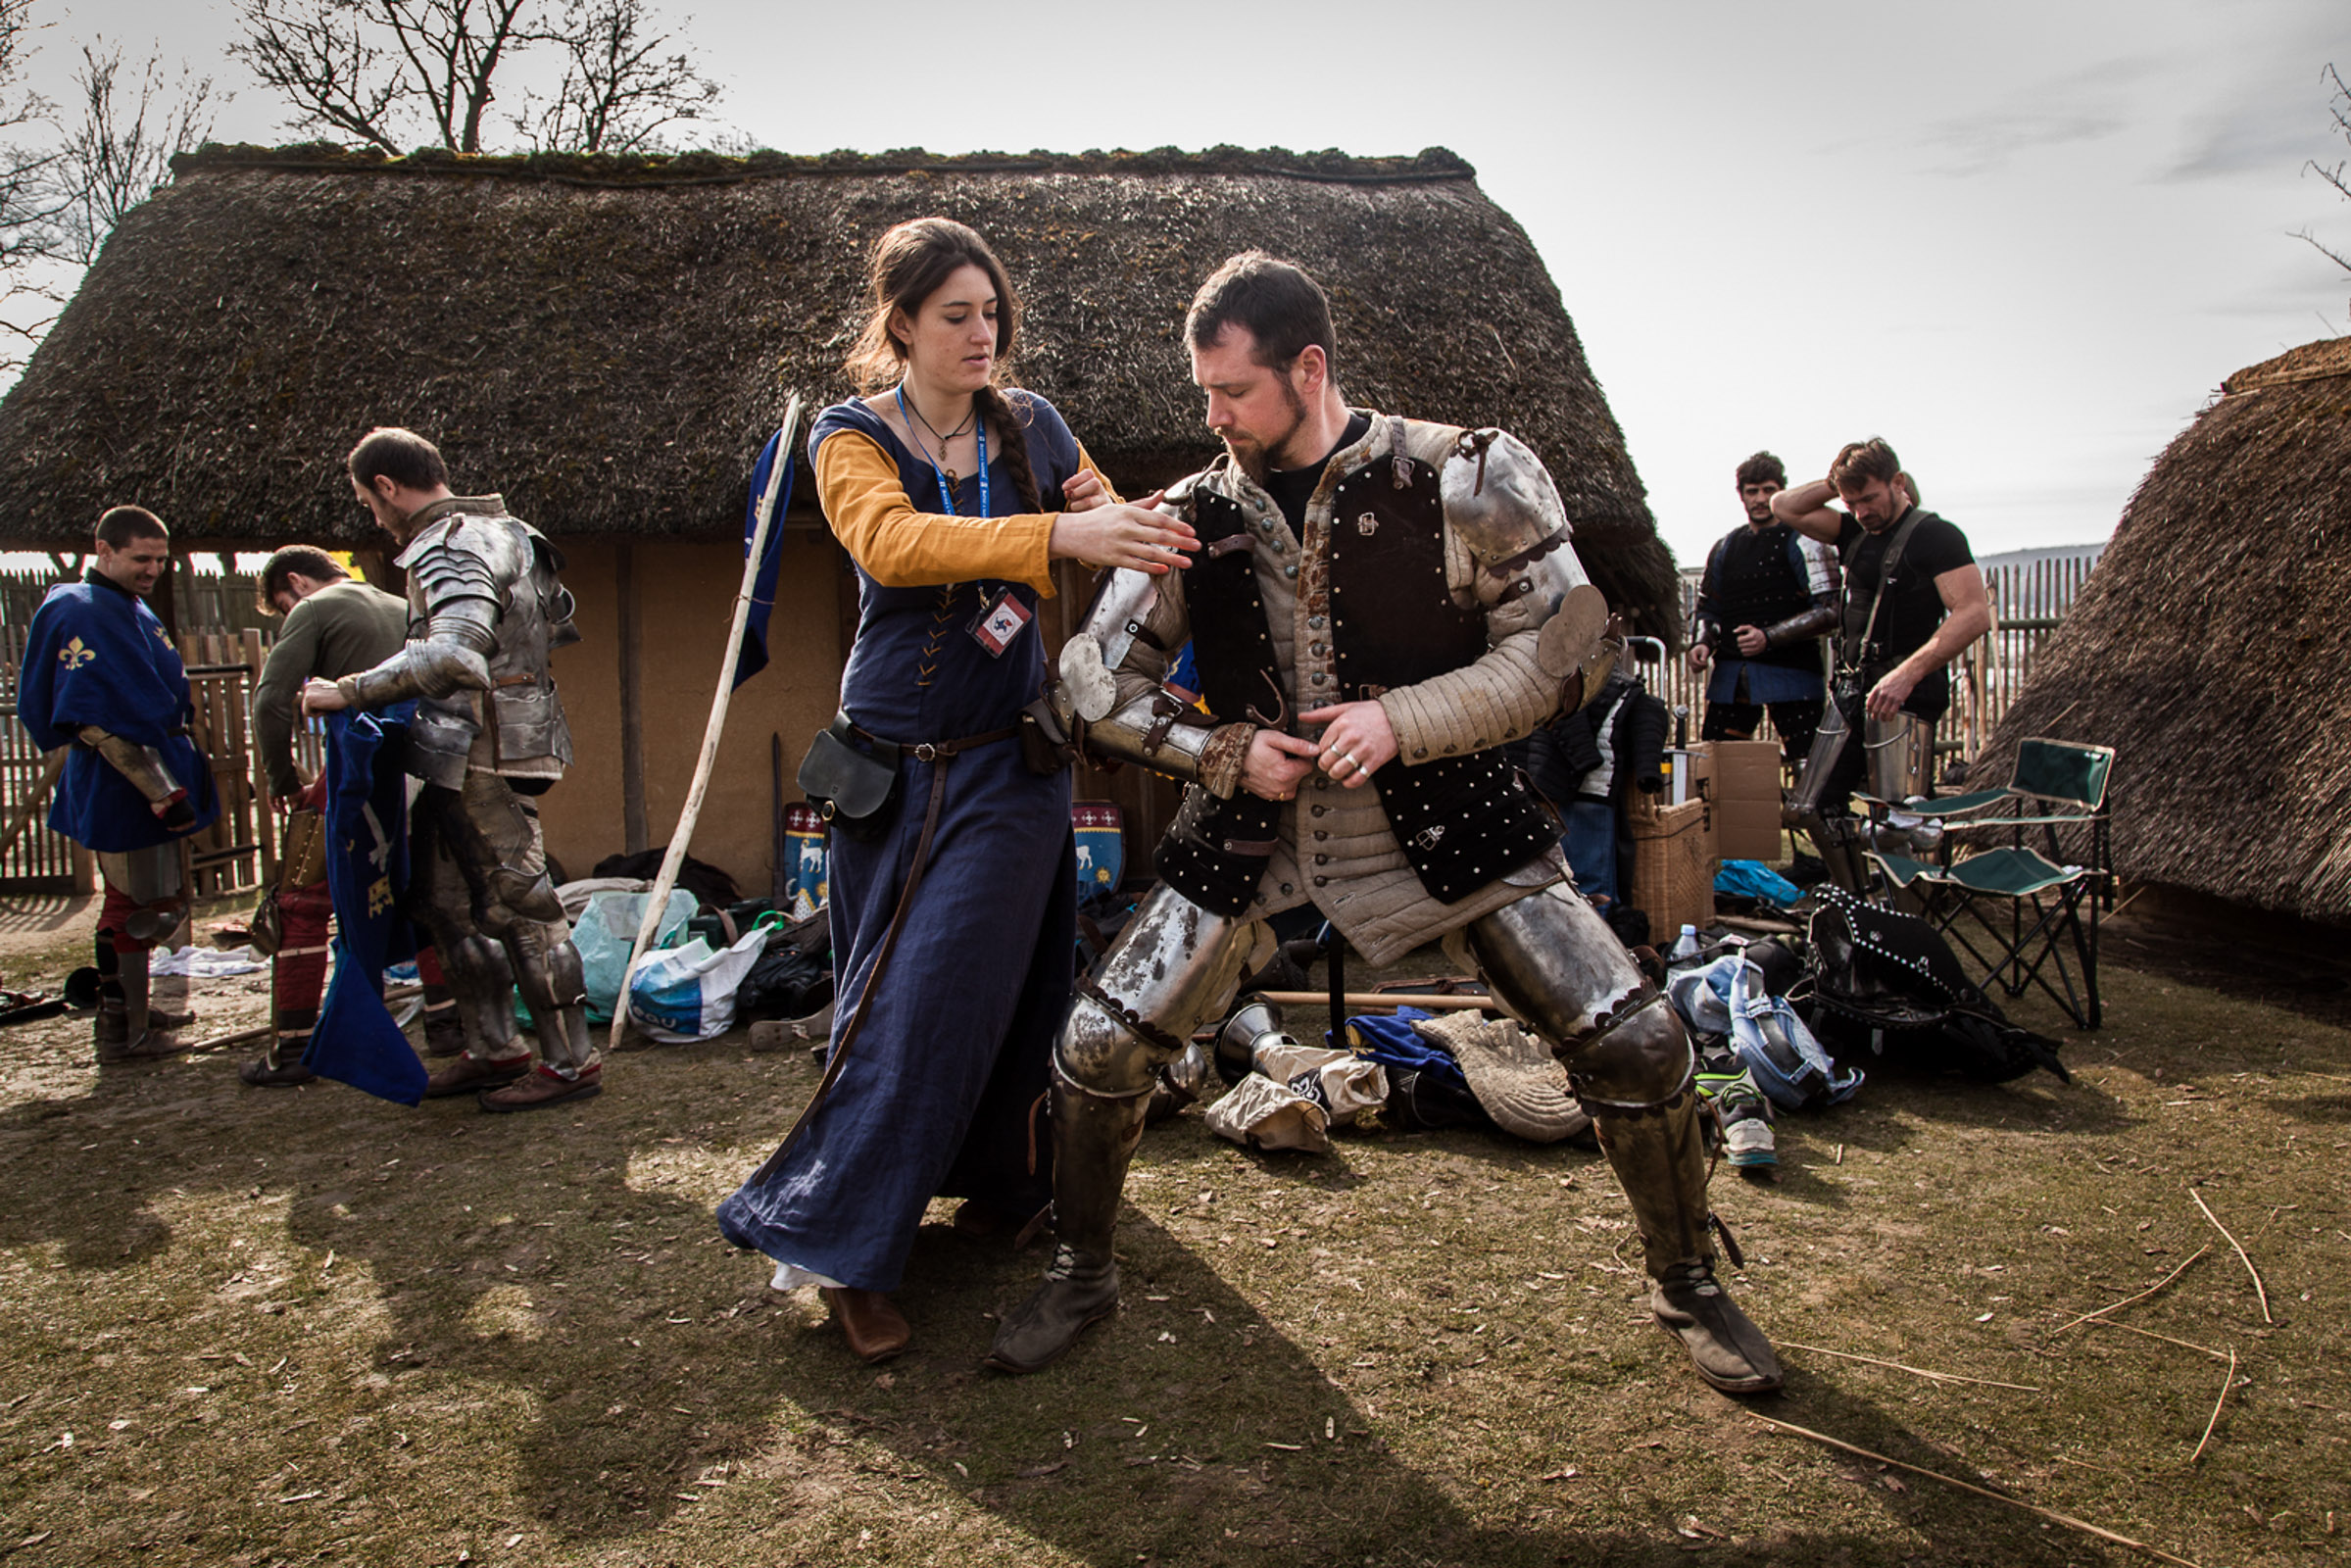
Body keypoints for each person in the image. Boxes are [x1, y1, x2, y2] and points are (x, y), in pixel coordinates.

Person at [993, 252, 1784, 1396]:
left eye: (1231, 392)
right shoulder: (1184, 515)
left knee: (1639, 1043)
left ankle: (1686, 1279)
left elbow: (1566, 651)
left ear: (1307, 369)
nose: (1209, 416)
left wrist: (1403, 719)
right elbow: (1094, 683)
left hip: (1452, 820)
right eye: (1202, 391)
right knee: (1098, 1050)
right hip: (1253, 834)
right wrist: (1218, 748)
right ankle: (1079, 1268)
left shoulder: (1468, 475)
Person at [712, 218, 1196, 1365]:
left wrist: (1180, 532)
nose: (982, 335)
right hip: (891, 769)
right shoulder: (848, 437)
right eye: (955, 316)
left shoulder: (1031, 427)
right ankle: (836, 1248)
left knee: (1017, 987)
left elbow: (1114, 522)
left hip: (1012, 760)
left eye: (992, 314)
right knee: (904, 996)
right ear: (899, 324)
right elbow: (890, 545)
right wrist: (1059, 533)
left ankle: (1006, 1181)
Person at [299, 427, 598, 1112]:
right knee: (444, 905)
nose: (372, 517)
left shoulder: (452, 542)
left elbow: (455, 657)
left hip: (484, 749)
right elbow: (546, 630)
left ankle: (571, 1062)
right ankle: (496, 1046)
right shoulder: (512, 533)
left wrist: (346, 690)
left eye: (367, 502)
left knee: (523, 909)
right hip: (453, 747)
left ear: (385, 486)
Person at [15, 506, 220, 1064]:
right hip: (125, 779)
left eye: (160, 559)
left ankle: (132, 1007)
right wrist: (160, 791)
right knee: (136, 906)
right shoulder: (85, 609)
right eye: (140, 558)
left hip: (153, 767)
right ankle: (124, 1031)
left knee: (151, 901)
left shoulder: (122, 604)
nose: (153, 569)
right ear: (104, 551)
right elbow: (93, 718)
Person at [240, 547, 441, 1087]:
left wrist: (285, 784)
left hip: (359, 762)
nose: (289, 615)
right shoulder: (400, 605)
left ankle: (296, 1045)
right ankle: (448, 1022)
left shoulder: (314, 607)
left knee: (302, 903)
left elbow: (270, 701)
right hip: (423, 761)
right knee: (418, 889)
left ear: (296, 583)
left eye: (283, 606)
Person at [1771, 438, 1991, 889]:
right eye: (1851, 503)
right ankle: (1861, 904)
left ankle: (1908, 923)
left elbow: (1973, 613)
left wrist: (1906, 674)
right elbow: (1784, 506)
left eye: (1869, 498)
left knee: (1897, 826)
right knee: (1811, 808)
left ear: (1899, 483)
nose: (1861, 511)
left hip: (1905, 696)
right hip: (1853, 692)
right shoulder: (1853, 531)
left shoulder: (1935, 535)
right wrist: (1837, 485)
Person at [1688, 451, 1837, 764]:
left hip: (1792, 674)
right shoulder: (1725, 546)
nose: (1759, 498)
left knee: (1809, 767)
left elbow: (1830, 610)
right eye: (1752, 491)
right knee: (1714, 767)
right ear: (1741, 494)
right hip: (1731, 675)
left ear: (1781, 491)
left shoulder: (1807, 540)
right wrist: (1702, 642)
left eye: (1768, 490)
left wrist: (1768, 637)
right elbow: (1709, 608)